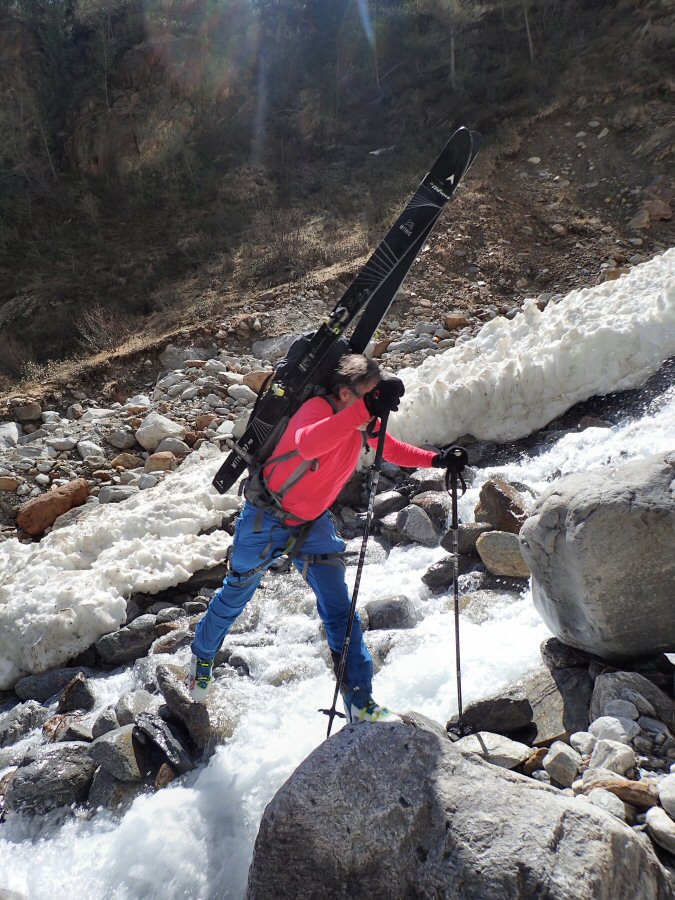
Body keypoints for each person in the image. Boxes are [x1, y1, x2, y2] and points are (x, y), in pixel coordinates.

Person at [188, 354, 456, 723]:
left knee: (340, 611)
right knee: (238, 591)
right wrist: (363, 410)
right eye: (368, 395)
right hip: (266, 517)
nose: (374, 403)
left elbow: (389, 449)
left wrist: (438, 460)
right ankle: (202, 657)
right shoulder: (315, 409)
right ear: (346, 393)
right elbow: (309, 445)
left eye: (376, 397)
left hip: (312, 524)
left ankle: (360, 701)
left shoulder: (361, 419)